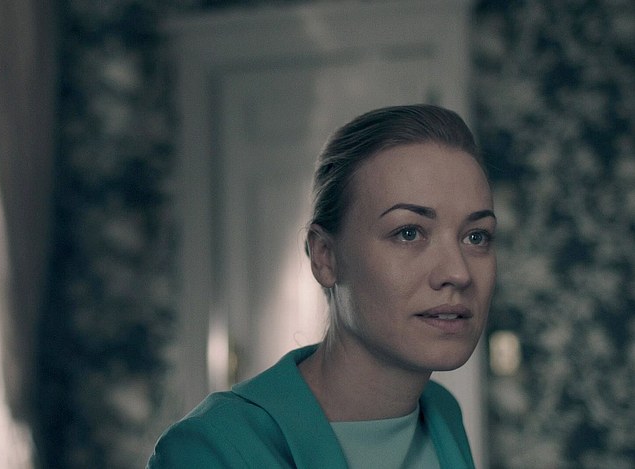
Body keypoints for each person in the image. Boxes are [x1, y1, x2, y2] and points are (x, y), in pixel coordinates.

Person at [148, 104, 496, 468]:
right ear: (325, 257)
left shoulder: (441, 413)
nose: (458, 273)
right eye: (408, 233)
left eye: (476, 236)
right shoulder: (209, 449)